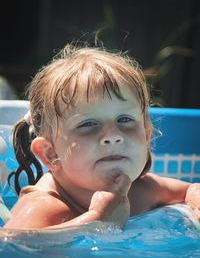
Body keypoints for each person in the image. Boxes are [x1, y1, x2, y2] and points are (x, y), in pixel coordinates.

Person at [4, 44, 200, 230]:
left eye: (124, 119)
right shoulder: (45, 207)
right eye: (88, 124)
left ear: (146, 135)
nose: (113, 135)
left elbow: (190, 189)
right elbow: (10, 246)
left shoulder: (140, 190)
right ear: (50, 154)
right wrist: (97, 221)